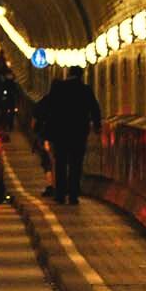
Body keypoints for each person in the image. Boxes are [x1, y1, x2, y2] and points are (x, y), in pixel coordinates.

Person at [34, 66, 102, 205]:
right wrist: (97, 126)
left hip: (60, 133)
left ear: (69, 74)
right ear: (81, 75)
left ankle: (60, 194)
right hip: (78, 133)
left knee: (60, 163)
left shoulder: (59, 89)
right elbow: (94, 109)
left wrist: (40, 124)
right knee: (76, 164)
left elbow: (43, 106)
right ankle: (73, 195)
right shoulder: (85, 90)